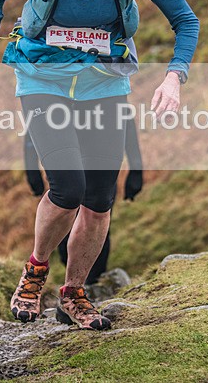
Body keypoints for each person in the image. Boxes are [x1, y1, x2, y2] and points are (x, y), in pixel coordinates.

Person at [0, 0, 199, 330]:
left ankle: (73, 293)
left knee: (98, 199)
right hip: (43, 77)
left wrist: (174, 79)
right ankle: (35, 271)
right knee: (68, 188)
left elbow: (185, 20)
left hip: (103, 82)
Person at [24, 115, 143, 287]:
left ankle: (92, 282)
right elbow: (35, 129)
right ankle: (71, 281)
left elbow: (126, 124)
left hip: (100, 170)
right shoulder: (55, 96)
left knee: (97, 223)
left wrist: (136, 169)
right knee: (64, 223)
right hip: (66, 172)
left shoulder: (108, 92)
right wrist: (31, 170)